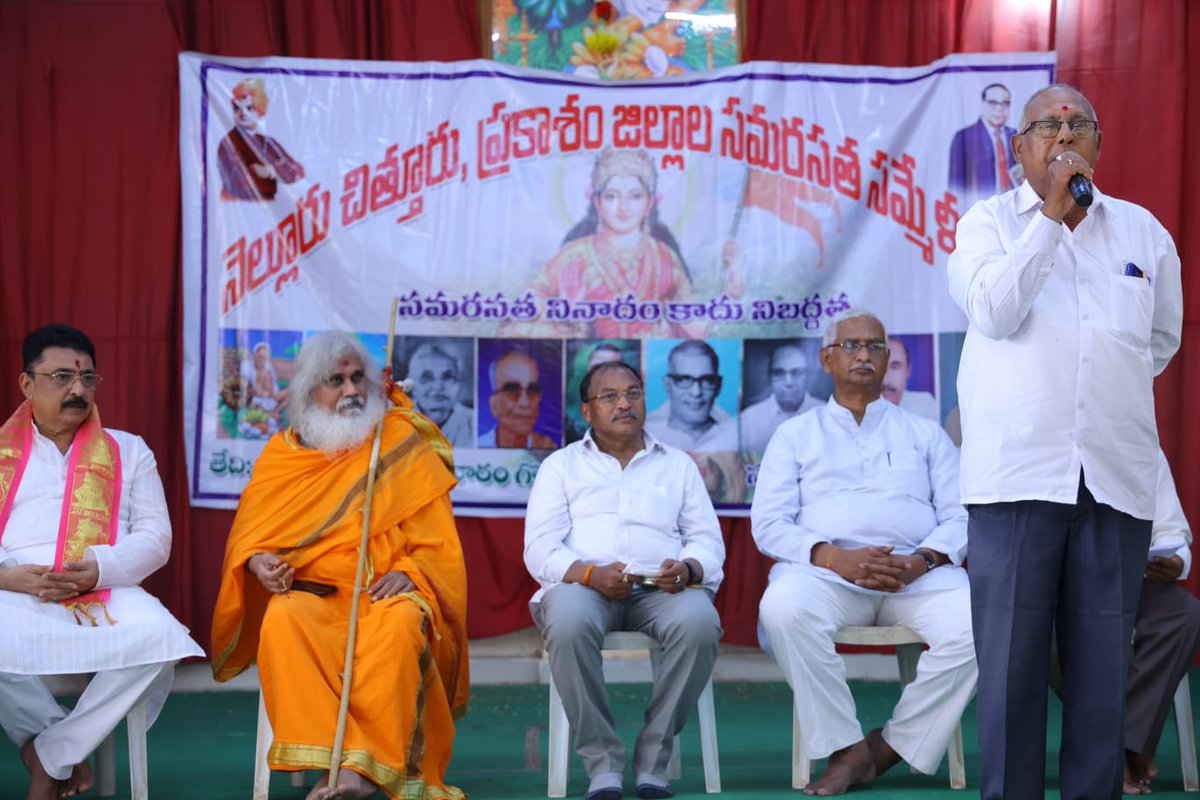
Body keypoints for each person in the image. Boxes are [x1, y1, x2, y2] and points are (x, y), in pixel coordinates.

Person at [947, 83, 1183, 799]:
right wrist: (1051, 215)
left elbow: (1161, 341)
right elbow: (993, 310)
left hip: (1113, 480)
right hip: (1017, 483)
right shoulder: (984, 224)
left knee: (1101, 681)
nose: (1064, 134)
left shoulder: (1143, 232)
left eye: (1078, 124)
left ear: (1099, 145)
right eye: (1046, 125)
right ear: (1019, 148)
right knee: (1012, 678)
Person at [211, 331, 468, 800]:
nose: (351, 391)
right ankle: (330, 757)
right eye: (336, 381)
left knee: (399, 627)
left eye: (357, 379)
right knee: (283, 620)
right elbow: (250, 539)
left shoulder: (397, 441)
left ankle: (364, 773)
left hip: (387, 591)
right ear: (311, 391)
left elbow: (439, 541)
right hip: (317, 594)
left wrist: (411, 573)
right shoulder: (282, 455)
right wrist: (261, 565)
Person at [751, 310, 975, 796]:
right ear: (826, 358)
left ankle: (887, 747)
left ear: (887, 358)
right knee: (783, 608)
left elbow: (961, 518)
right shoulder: (795, 434)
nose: (864, 355)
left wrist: (923, 560)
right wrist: (835, 558)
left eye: (875, 346)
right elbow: (768, 525)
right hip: (828, 576)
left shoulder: (924, 432)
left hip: (916, 575)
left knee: (981, 622)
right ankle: (845, 746)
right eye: (851, 345)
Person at [0, 324, 203, 800]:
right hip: (13, 587)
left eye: (88, 378)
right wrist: (7, 577)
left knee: (160, 640)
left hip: (102, 584)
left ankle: (50, 754)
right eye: (62, 377)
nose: (77, 390)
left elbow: (156, 537)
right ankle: (55, 746)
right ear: (27, 384)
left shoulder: (128, 449)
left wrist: (99, 569)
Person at [524, 359, 725, 800]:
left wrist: (688, 569)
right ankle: (603, 764)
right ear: (586, 410)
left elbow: (708, 541)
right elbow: (539, 548)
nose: (624, 403)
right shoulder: (561, 466)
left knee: (700, 623)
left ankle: (654, 762)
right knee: (569, 622)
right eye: (609, 396)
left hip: (662, 589)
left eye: (633, 393)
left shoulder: (678, 465)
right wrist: (591, 574)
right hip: (585, 587)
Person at [1049, 449, 1200, 796]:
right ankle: (1114, 749)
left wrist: (1175, 560)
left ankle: (1122, 746)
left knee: (1183, 616)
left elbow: (1170, 528)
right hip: (1058, 587)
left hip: (1131, 579)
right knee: (1045, 629)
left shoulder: (1137, 439)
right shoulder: (1045, 436)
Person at [527, 148, 695, 338]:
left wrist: (729, 294)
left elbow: (692, 322)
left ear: (649, 203)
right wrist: (567, 318)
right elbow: (525, 313)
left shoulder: (665, 258)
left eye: (635, 196)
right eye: (611, 196)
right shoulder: (574, 257)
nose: (623, 207)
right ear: (598, 203)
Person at [218, 78, 305, 201]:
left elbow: (296, 171)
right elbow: (236, 182)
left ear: (259, 110)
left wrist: (271, 171)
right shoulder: (228, 142)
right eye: (237, 109)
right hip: (237, 209)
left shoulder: (268, 142)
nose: (243, 114)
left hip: (273, 211)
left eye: (249, 108)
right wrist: (270, 169)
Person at [645, 340, 737, 452]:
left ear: (718, 386)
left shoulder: (735, 435)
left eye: (707, 380)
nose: (696, 392)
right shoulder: (645, 434)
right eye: (684, 380)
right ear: (667, 385)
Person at [739, 341, 823, 452]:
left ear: (807, 375)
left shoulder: (826, 414)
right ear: (769, 377)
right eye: (779, 373)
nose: (789, 382)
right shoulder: (748, 420)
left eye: (797, 372)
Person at [948, 83, 1019, 198]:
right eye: (993, 103)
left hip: (1013, 206)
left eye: (1005, 104)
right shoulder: (964, 137)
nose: (999, 109)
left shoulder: (1015, 135)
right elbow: (956, 186)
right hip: (979, 208)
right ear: (982, 104)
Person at [479, 348, 558, 449]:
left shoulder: (548, 450)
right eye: (512, 390)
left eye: (532, 390)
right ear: (494, 404)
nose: (525, 403)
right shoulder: (477, 448)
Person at [404, 342, 474, 447]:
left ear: (460, 384)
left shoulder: (473, 422)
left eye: (448, 377)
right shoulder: (397, 420)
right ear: (411, 387)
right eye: (427, 378)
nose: (438, 387)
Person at [880, 337, 937, 422]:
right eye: (881, 367)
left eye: (895, 367)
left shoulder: (924, 404)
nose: (886, 379)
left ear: (908, 370)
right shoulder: (860, 407)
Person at [239, 341, 289, 414]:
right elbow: (245, 386)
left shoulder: (267, 366)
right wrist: (263, 393)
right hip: (256, 397)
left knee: (291, 393)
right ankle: (270, 411)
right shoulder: (246, 365)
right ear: (254, 355)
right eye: (260, 357)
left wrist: (271, 392)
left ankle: (276, 411)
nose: (262, 360)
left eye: (265, 358)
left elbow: (273, 382)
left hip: (271, 395)